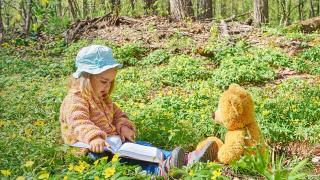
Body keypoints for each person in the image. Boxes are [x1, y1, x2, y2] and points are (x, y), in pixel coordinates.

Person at [59, 45, 215, 176]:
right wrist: (94, 138)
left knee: (142, 147)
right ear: (86, 77)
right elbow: (78, 122)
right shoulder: (75, 99)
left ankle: (186, 160)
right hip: (92, 149)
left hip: (114, 143)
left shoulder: (102, 97)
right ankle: (160, 170)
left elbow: (118, 115)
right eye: (103, 81)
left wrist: (124, 126)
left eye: (110, 82)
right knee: (127, 159)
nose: (107, 87)